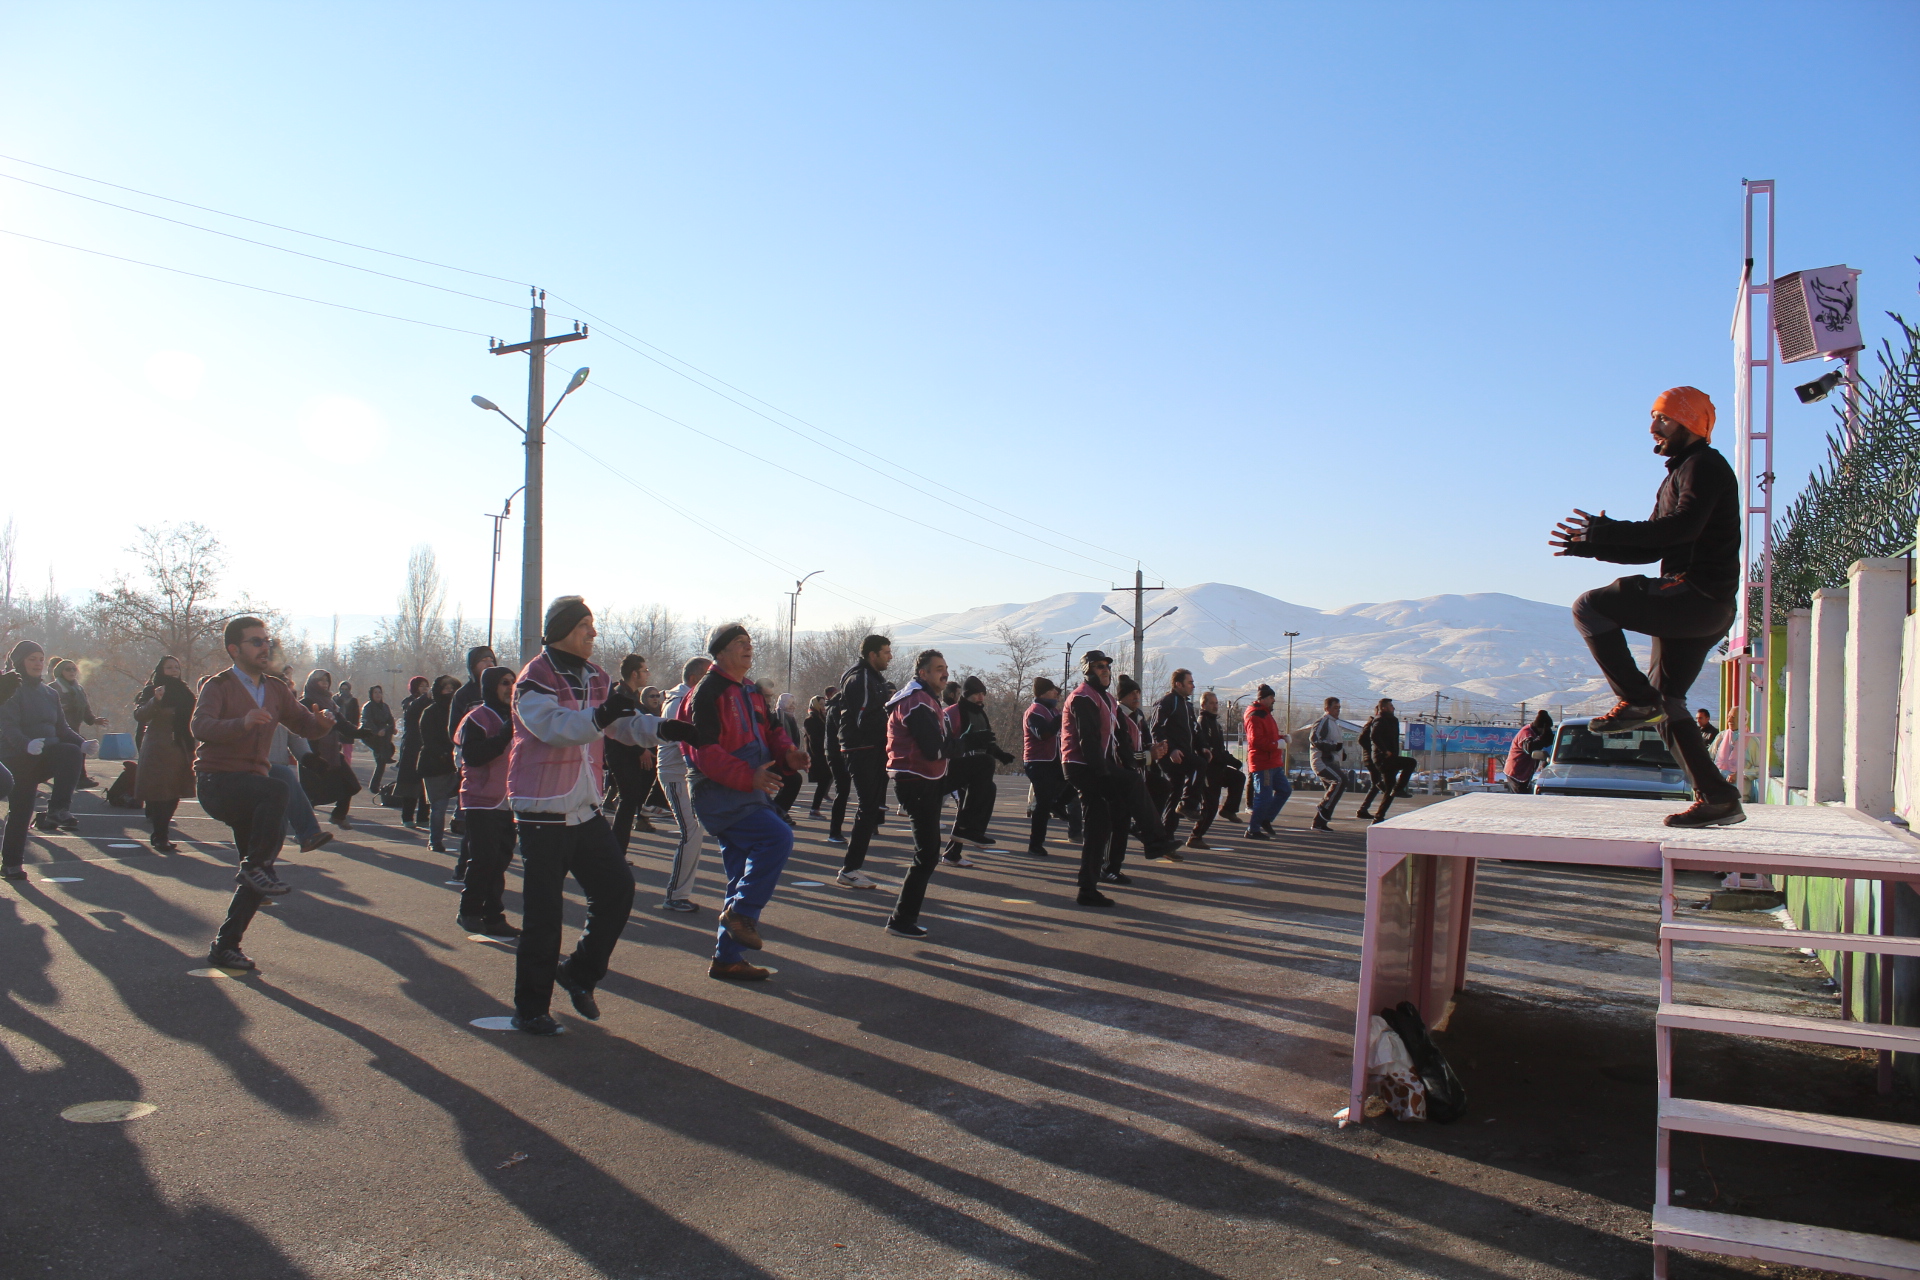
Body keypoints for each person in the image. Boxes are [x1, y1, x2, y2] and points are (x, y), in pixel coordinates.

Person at [1551, 385, 1745, 827]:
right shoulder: (1679, 474)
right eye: (1654, 417)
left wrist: (1605, 532)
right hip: (1700, 606)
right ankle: (1718, 798)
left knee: (1589, 607)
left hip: (1694, 594)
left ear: (1691, 424)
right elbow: (1653, 545)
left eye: (1664, 418)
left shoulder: (1704, 467)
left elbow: (1681, 529)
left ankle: (1636, 700)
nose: (1653, 427)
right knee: (1670, 705)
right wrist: (1591, 546)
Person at [506, 596, 684, 1034]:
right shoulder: (535, 678)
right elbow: (552, 727)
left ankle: (579, 973)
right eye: (586, 624)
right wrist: (602, 713)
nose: (593, 632)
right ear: (564, 628)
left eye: (593, 624)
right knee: (543, 916)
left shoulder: (597, 676)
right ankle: (531, 1008)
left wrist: (666, 730)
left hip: (583, 808)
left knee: (618, 890)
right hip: (542, 810)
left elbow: (622, 726)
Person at [189, 616, 336, 970]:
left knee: (259, 873)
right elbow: (200, 726)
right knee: (278, 786)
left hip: (251, 788)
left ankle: (226, 945)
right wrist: (240, 723)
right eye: (255, 642)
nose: (264, 647)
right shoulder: (218, 685)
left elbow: (303, 724)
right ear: (234, 649)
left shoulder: (274, 688)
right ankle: (256, 866)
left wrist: (322, 725)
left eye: (266, 641)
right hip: (218, 782)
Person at [685, 622, 807, 981]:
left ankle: (727, 959)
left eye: (749, 642)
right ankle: (741, 914)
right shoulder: (706, 692)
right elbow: (702, 751)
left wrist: (789, 756)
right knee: (778, 836)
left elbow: (772, 732)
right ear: (720, 651)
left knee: (740, 875)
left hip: (747, 791)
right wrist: (747, 776)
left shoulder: (752, 692)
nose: (748, 648)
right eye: (740, 642)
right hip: (717, 792)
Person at [881, 649, 959, 938]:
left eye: (946, 667)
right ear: (923, 673)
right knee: (926, 854)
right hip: (916, 780)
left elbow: (941, 745)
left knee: (981, 767)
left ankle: (968, 831)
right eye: (939, 668)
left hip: (928, 777)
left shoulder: (925, 699)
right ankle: (900, 921)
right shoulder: (915, 701)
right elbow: (934, 748)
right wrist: (957, 745)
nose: (945, 673)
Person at [1, 641, 86, 878]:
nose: (38, 663)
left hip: (46, 754)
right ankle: (11, 864)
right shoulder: (10, 688)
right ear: (20, 662)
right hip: (18, 758)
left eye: (41, 659)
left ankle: (57, 810)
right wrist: (25, 744)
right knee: (21, 810)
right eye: (32, 659)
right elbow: (8, 726)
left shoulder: (50, 693)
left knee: (70, 750)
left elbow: (62, 728)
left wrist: (82, 743)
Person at [454, 665, 520, 939]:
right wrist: (505, 733)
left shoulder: (516, 716)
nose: (510, 688)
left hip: (509, 800)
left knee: (500, 861)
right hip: (480, 799)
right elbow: (473, 756)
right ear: (491, 686)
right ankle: (468, 911)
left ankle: (494, 917)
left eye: (513, 683)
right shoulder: (477, 718)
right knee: (483, 860)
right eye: (505, 683)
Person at [1061, 651, 1126, 907]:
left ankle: (1088, 886)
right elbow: (1088, 741)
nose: (1105, 670)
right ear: (1087, 670)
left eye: (1107, 666)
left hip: (1098, 766)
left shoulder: (1107, 698)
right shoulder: (1082, 696)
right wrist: (1103, 774)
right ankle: (1087, 888)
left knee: (1101, 826)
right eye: (1099, 666)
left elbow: (1118, 739)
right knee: (1097, 825)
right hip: (1083, 766)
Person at [833, 633, 894, 891]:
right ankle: (849, 869)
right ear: (872, 655)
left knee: (872, 808)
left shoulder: (872, 678)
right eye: (886, 652)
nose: (890, 656)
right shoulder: (861, 679)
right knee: (867, 807)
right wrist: (891, 722)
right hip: (863, 749)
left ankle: (852, 867)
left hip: (872, 748)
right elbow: (864, 718)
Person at [1107, 674, 1180, 883]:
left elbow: (1146, 742)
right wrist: (1148, 755)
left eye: (1138, 692)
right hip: (1121, 775)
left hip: (1137, 775)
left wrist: (1156, 749)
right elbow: (1121, 752)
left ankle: (1144, 831)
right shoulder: (1118, 716)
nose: (1136, 696)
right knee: (1116, 825)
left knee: (1163, 787)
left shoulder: (1138, 715)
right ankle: (1109, 867)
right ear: (1121, 697)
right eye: (1131, 693)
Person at [656, 655, 713, 913]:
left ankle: (679, 893)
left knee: (695, 831)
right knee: (691, 832)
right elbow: (684, 743)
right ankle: (675, 895)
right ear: (693, 680)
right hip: (675, 775)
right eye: (706, 676)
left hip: (685, 774)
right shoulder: (679, 702)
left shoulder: (688, 699)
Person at [942, 674, 1015, 864]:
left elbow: (985, 741)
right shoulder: (952, 712)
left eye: (982, 693)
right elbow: (944, 743)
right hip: (952, 767)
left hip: (974, 771)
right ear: (965, 695)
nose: (980, 697)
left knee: (984, 793)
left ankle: (957, 849)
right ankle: (965, 835)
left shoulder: (980, 713)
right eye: (975, 694)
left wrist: (1001, 755)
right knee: (967, 807)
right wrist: (964, 745)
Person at [133, 657, 196, 853]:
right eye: (169, 667)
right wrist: (156, 700)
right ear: (161, 670)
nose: (174, 670)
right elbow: (140, 715)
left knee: (175, 790)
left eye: (176, 667)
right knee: (161, 791)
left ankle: (161, 829)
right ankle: (160, 835)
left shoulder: (185, 691)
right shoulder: (153, 690)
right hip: (159, 745)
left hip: (181, 745)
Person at [604, 655, 660, 852]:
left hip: (630, 754)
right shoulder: (620, 695)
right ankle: (617, 851)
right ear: (634, 673)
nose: (647, 674)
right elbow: (617, 729)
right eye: (644, 671)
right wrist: (639, 749)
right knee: (628, 800)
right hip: (620, 754)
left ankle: (618, 849)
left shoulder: (634, 695)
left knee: (630, 800)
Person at [297, 670, 362, 830]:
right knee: (309, 796)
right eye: (321, 680)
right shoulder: (305, 702)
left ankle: (339, 815)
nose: (325, 683)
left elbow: (343, 724)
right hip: (314, 753)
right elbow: (299, 728)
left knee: (351, 784)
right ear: (312, 682)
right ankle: (305, 831)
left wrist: (361, 732)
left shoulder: (330, 703)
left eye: (327, 680)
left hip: (332, 752)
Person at [1183, 690, 1243, 850]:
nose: (1215, 706)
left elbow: (1220, 750)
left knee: (1238, 778)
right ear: (1204, 705)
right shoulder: (1203, 722)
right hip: (1209, 771)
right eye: (1212, 703)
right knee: (1210, 806)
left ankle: (1229, 810)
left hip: (1219, 768)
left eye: (1216, 703)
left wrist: (1233, 761)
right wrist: (1226, 759)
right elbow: (1208, 750)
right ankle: (1195, 837)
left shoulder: (1215, 723)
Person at [1021, 677, 1072, 858]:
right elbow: (1043, 734)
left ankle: (1057, 803)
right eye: (1053, 691)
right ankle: (1035, 844)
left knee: (1074, 778)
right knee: (1042, 803)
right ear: (1042, 693)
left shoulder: (1052, 710)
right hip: (1038, 762)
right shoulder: (1035, 711)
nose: (1057, 694)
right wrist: (1060, 719)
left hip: (1054, 761)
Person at [1150, 669, 1200, 838]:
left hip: (1184, 752)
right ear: (1178, 684)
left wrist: (1204, 748)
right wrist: (1170, 750)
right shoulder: (1167, 702)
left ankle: (1165, 836)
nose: (1193, 686)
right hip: (1170, 755)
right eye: (1190, 682)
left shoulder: (1187, 705)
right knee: (1199, 765)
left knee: (1175, 793)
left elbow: (1194, 732)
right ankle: (1188, 804)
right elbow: (1156, 729)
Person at [415, 675, 461, 853]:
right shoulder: (431, 711)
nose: (449, 690)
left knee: (466, 800)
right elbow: (428, 739)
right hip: (434, 764)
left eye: (452, 687)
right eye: (445, 687)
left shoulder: (458, 709)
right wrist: (443, 753)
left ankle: (459, 828)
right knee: (439, 806)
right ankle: (435, 841)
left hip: (455, 762)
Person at [48, 658, 108, 788]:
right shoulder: (53, 688)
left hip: (74, 728)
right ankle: (74, 779)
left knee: (79, 748)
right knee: (74, 750)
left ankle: (78, 778)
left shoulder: (78, 689)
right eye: (68, 669)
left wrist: (93, 720)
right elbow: (46, 709)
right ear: (60, 671)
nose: (72, 671)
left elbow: (85, 708)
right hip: (57, 729)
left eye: (74, 668)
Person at [1241, 684, 1290, 839]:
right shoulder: (1256, 716)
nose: (1273, 700)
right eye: (1271, 697)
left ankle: (1265, 819)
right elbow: (1256, 741)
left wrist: (1281, 739)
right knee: (1264, 796)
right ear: (1263, 698)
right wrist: (1277, 745)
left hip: (1273, 761)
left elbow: (1268, 737)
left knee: (1285, 790)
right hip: (1263, 763)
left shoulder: (1265, 714)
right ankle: (1253, 829)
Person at [1356, 698, 1417, 821]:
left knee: (1388, 789)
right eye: (1391, 706)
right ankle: (1397, 790)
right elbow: (1369, 738)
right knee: (1409, 764)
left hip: (1384, 757)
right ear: (1383, 708)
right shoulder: (1380, 720)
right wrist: (1380, 750)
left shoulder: (1388, 720)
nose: (1393, 708)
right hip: (1380, 758)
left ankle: (1378, 816)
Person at [394, 675, 431, 827]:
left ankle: (423, 816)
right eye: (421, 686)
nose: (424, 689)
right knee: (411, 783)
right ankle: (407, 816)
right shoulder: (409, 702)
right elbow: (411, 710)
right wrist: (424, 698)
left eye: (426, 686)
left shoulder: (432, 703)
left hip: (427, 747)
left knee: (427, 784)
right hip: (411, 748)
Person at [766, 688, 805, 822]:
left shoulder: (790, 718)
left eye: (794, 702)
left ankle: (778, 811)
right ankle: (776, 812)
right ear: (782, 703)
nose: (793, 705)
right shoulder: (777, 716)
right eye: (790, 702)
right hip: (773, 759)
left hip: (785, 759)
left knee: (792, 781)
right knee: (792, 781)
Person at [1309, 696, 1348, 831]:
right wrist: (1333, 747)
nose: (1338, 711)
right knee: (1340, 780)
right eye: (1335, 708)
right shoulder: (1323, 722)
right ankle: (1323, 808)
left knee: (1332, 792)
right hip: (1321, 761)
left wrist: (1341, 754)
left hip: (1331, 761)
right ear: (1327, 708)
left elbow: (1336, 743)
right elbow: (1315, 739)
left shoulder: (1335, 724)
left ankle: (1319, 823)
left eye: (1339, 708)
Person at [1502, 710, 1555, 795]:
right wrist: (1543, 740)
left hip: (1524, 773)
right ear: (1541, 727)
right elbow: (1529, 748)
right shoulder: (1527, 733)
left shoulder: (1534, 733)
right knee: (1521, 799)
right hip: (1516, 773)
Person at [824, 691, 853, 842]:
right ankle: (834, 832)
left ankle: (835, 832)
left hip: (838, 753)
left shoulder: (836, 707)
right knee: (842, 791)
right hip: (837, 754)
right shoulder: (837, 709)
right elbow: (843, 730)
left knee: (843, 791)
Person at [361, 685, 397, 792]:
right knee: (381, 760)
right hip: (370, 735)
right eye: (375, 692)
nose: (378, 695)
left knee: (381, 761)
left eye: (379, 692)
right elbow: (367, 722)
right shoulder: (368, 706)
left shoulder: (385, 706)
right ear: (371, 695)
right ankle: (374, 786)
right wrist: (377, 731)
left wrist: (392, 728)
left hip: (383, 735)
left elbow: (390, 719)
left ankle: (374, 786)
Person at [804, 695, 833, 818]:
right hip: (818, 756)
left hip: (825, 754)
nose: (823, 707)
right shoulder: (810, 720)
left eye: (824, 704)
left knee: (825, 781)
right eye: (820, 704)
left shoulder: (824, 718)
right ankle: (814, 809)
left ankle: (815, 808)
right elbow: (814, 740)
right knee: (824, 781)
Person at [332, 679, 362, 769]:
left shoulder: (353, 701)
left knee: (347, 752)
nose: (343, 691)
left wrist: (354, 728)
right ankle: (335, 769)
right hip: (337, 728)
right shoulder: (335, 699)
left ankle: (347, 769)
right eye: (342, 689)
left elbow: (356, 716)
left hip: (348, 728)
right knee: (335, 751)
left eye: (346, 689)